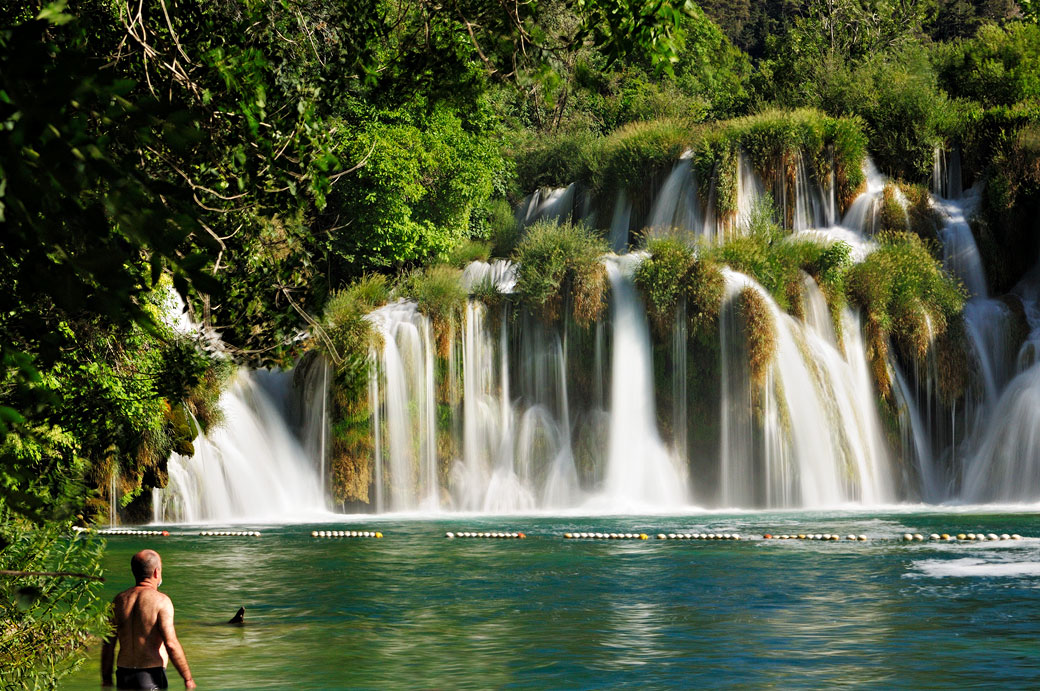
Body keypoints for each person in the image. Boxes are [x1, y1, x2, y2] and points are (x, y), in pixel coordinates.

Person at [101, 549, 195, 689]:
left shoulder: (119, 600)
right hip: (150, 677)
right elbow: (171, 644)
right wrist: (187, 677)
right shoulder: (161, 601)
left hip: (123, 675)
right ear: (156, 572)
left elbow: (108, 644)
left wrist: (107, 678)